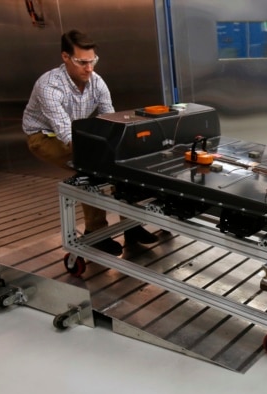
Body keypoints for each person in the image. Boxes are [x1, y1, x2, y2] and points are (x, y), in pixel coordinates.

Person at [22, 29, 158, 255]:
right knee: (90, 167)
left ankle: (132, 226)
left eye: (93, 61)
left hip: (81, 132)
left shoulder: (96, 82)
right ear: (65, 57)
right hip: (44, 136)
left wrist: (123, 149)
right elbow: (65, 132)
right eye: (82, 62)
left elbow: (111, 119)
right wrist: (100, 157)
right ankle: (95, 234)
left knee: (120, 163)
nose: (89, 68)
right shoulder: (49, 86)